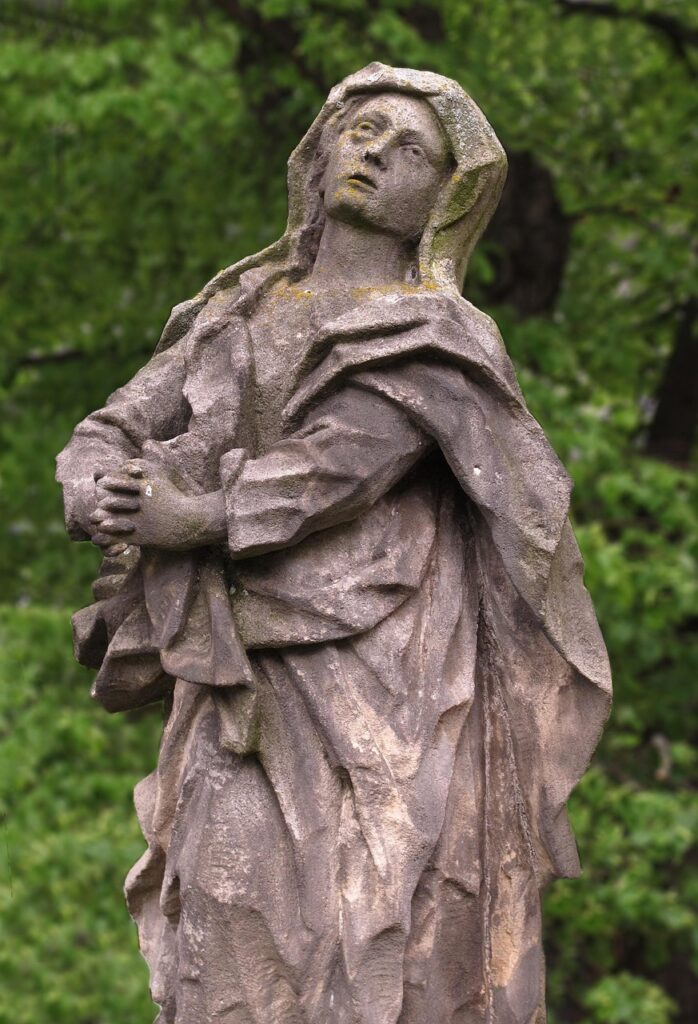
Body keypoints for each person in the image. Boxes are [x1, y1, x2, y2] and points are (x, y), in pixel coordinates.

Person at [57, 63, 611, 1024]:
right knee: (227, 900)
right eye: (360, 131)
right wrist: (91, 486)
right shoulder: (238, 309)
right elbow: (117, 424)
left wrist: (202, 518)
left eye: (411, 150)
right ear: (317, 157)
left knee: (375, 902)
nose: (375, 153)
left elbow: (345, 461)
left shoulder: (435, 335)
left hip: (385, 664)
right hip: (241, 658)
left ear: (444, 198)